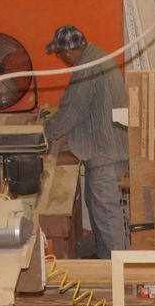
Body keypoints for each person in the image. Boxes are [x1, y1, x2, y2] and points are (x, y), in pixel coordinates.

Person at [41, 25, 129, 257]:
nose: (61, 59)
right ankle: (105, 259)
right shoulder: (97, 56)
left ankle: (119, 269)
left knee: (107, 217)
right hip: (106, 149)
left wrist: (45, 134)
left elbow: (72, 111)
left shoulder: (87, 68)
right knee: (96, 207)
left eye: (60, 55)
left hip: (105, 153)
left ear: (68, 52)